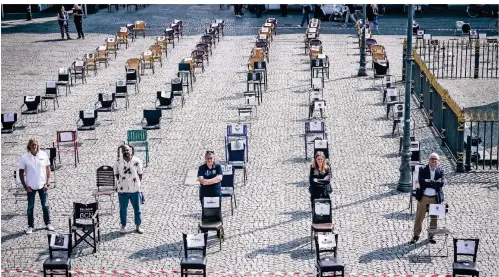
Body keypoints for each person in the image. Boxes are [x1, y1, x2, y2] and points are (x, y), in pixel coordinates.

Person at [19, 138, 54, 234]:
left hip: (42, 185)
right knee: (30, 207)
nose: (34, 146)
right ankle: (30, 226)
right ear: (29, 146)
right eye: (32, 145)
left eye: (36, 144)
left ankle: (48, 223)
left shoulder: (43, 154)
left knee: (45, 205)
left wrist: (48, 182)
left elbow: (48, 169)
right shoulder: (24, 157)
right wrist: (25, 187)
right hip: (31, 186)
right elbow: (21, 173)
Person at [410, 153, 445, 245]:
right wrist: (433, 183)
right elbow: (421, 181)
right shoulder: (423, 169)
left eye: (435, 159)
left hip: (434, 198)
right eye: (432, 159)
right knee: (419, 217)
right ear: (429, 160)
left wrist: (429, 182)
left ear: (438, 161)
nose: (433, 160)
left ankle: (431, 236)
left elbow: (441, 183)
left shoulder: (440, 170)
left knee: (434, 218)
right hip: (424, 197)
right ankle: (416, 235)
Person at [114, 145, 144, 234]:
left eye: (127, 150)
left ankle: (138, 226)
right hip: (123, 190)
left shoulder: (137, 161)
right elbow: (116, 174)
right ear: (121, 151)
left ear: (130, 150)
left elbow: (140, 173)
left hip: (135, 189)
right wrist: (121, 182)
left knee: (137, 209)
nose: (125, 152)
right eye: (124, 150)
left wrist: (137, 183)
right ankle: (123, 226)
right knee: (123, 209)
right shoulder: (118, 162)